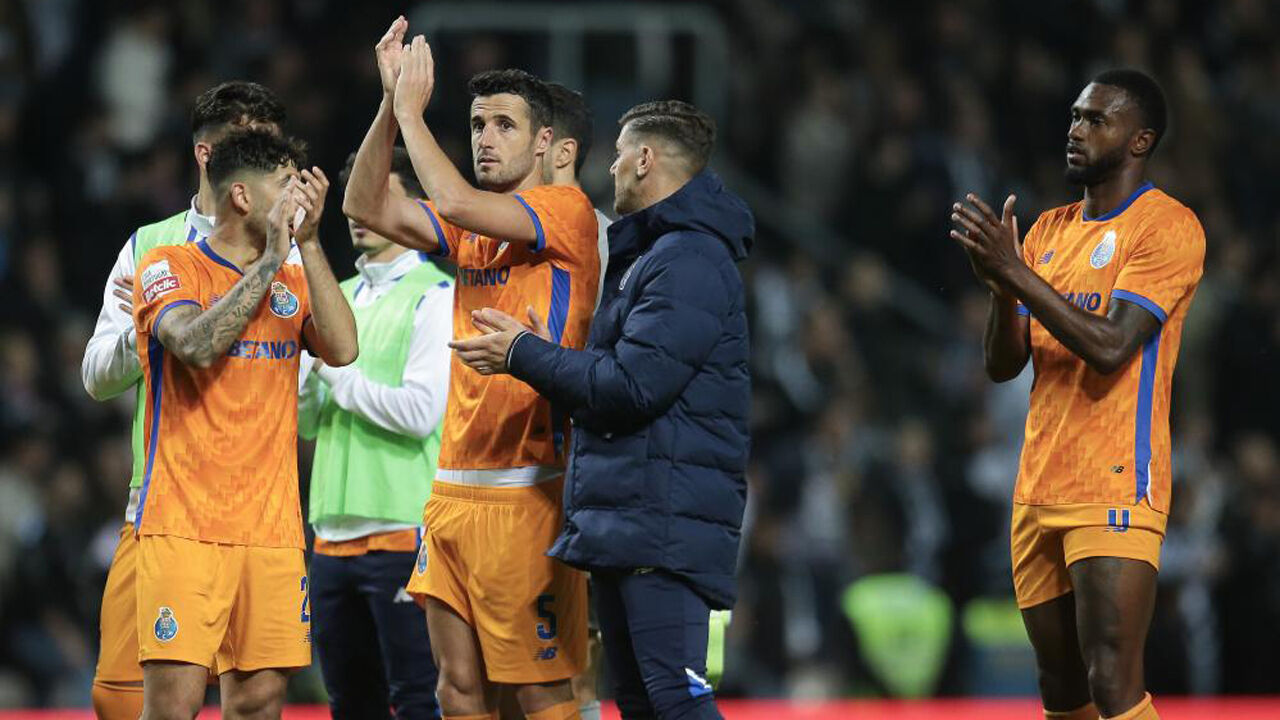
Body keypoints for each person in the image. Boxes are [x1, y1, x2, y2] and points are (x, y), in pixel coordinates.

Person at [450, 99, 753, 720]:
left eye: (618, 155)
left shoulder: (689, 258)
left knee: (675, 696)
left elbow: (632, 387)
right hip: (632, 515)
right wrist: (546, 351)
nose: (609, 169)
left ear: (644, 159)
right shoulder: (655, 254)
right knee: (642, 701)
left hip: (663, 518)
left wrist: (524, 353)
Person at [343, 18, 600, 720]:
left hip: (529, 494)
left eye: (504, 126)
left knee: (545, 693)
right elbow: (363, 204)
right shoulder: (474, 231)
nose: (485, 138)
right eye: (478, 124)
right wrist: (387, 106)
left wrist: (409, 112)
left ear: (545, 143)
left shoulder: (565, 211)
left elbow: (452, 199)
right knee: (457, 693)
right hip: (450, 491)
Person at [949, 69, 1204, 720]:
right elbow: (1004, 365)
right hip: (1038, 484)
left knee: (1113, 678)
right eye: (1074, 117)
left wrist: (1015, 273)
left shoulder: (1167, 228)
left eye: (1096, 119)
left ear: (1141, 139)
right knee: (1062, 689)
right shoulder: (1047, 232)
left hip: (1116, 482)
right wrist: (1001, 288)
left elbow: (1113, 346)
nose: (1076, 131)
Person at [131, 128, 357, 719]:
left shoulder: (295, 273)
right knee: (173, 708)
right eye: (285, 185)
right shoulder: (169, 265)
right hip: (184, 526)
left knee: (259, 704)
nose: (298, 197)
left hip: (273, 532)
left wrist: (308, 245)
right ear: (242, 197)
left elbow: (342, 348)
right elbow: (197, 344)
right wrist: (269, 264)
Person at [79, 80, 287, 720]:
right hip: (164, 506)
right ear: (207, 154)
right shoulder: (150, 246)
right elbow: (96, 374)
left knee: (255, 699)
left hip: (257, 517)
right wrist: (151, 335)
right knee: (121, 699)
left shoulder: (287, 250)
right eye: (245, 145)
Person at [298, 148, 453, 720]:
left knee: (418, 698)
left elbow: (419, 412)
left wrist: (331, 372)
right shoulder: (334, 292)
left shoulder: (437, 296)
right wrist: (305, 382)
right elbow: (308, 421)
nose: (359, 212)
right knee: (349, 704)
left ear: (414, 209)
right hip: (331, 536)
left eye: (376, 198)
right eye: (353, 203)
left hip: (402, 531)